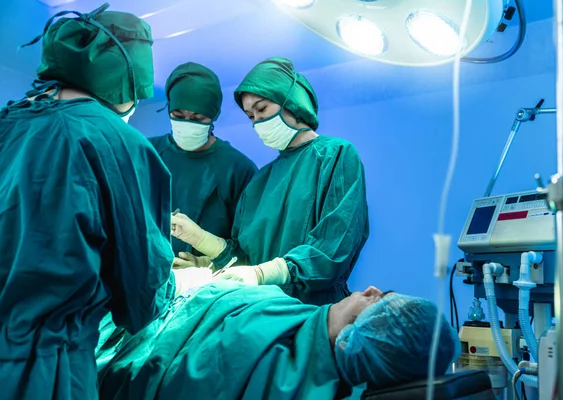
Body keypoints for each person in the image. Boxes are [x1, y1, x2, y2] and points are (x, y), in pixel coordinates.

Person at [0, 5, 176, 399]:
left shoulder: (8, 122)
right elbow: (142, 297)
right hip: (43, 372)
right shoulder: (116, 141)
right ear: (130, 82)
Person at [171, 57, 369, 306]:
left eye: (261, 109)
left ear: (292, 100)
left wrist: (262, 273)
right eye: (250, 115)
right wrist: (201, 241)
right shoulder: (261, 180)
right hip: (260, 312)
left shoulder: (335, 155)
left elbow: (332, 251)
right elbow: (246, 260)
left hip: (313, 313)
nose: (257, 121)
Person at [95, 281, 460, 399]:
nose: (373, 289)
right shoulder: (323, 383)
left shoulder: (265, 332)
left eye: (381, 299)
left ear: (369, 295)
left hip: (115, 341)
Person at [148, 63, 257, 267]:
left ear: (213, 116)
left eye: (198, 118)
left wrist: (205, 264)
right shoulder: (146, 153)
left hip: (210, 285)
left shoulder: (238, 169)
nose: (187, 123)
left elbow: (250, 250)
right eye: (178, 116)